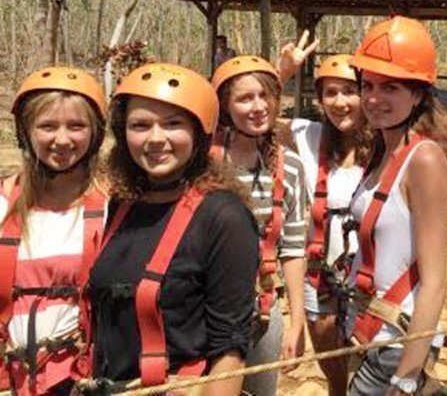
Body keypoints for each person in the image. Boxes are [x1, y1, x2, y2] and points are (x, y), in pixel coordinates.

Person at [88, 63, 258, 394]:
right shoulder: (122, 206)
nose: (155, 138)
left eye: (173, 124)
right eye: (140, 125)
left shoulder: (224, 218)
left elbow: (230, 351)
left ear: (198, 132)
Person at [344, 16, 447, 395]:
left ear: (418, 95)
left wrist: (407, 376)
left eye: (390, 87)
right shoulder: (383, 151)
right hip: (370, 332)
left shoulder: (424, 160)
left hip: (396, 345)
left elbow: (434, 280)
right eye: (368, 85)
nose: (373, 98)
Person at [0, 67, 107, 395]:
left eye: (76, 126)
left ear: (95, 133)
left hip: (83, 379)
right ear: (26, 132)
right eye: (47, 126)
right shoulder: (4, 203)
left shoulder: (114, 205)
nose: (62, 140)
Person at [210, 55, 309, 396]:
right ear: (225, 107)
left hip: (262, 310)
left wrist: (297, 321)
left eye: (265, 96)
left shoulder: (290, 167)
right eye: (244, 98)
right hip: (204, 309)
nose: (258, 107)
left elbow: (293, 248)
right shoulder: (204, 160)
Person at [275, 44, 369, 396]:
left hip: (367, 278)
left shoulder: (385, 143)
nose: (340, 102)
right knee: (334, 374)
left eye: (349, 91)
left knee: (366, 372)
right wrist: (281, 75)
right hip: (320, 276)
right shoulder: (308, 137)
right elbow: (252, 121)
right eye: (330, 93)